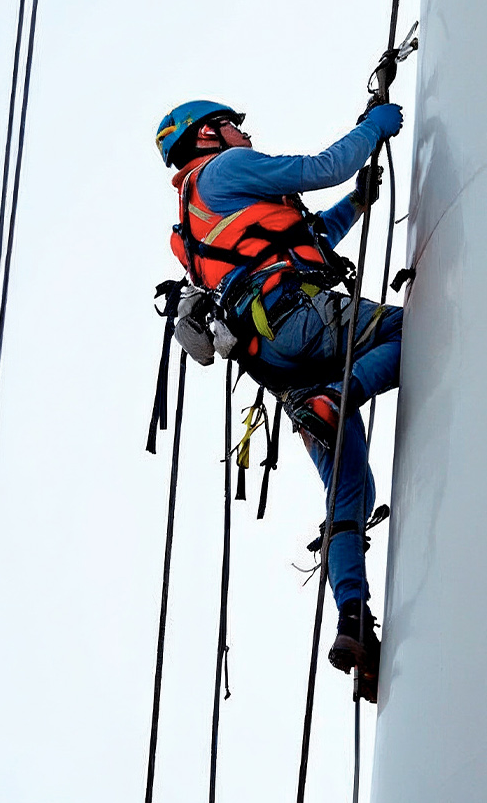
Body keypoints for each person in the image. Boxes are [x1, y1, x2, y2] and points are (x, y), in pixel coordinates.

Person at [156, 99, 403, 701]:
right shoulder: (224, 170)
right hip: (301, 318)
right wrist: (374, 127)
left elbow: (297, 238)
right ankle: (338, 394)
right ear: (206, 134)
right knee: (414, 330)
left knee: (350, 493)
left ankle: (353, 620)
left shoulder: (192, 223)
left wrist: (359, 205)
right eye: (232, 124)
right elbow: (323, 166)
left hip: (276, 361)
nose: (244, 132)